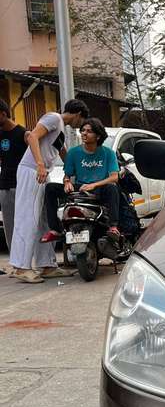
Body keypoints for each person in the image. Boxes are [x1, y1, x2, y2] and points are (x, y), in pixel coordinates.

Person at [9, 98, 88, 283]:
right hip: (33, 171)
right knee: (28, 217)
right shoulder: (53, 118)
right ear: (78, 114)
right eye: (81, 122)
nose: (80, 126)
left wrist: (75, 171)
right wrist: (39, 164)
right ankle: (21, 267)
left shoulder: (59, 127)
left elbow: (63, 152)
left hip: (44, 173)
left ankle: (47, 265)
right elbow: (32, 136)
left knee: (45, 219)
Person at [42, 117, 121, 244]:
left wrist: (93, 185)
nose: (84, 133)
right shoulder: (74, 152)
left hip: (99, 188)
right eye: (83, 130)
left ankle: (113, 227)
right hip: (80, 188)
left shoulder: (108, 153)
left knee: (112, 187)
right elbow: (67, 175)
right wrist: (67, 182)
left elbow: (114, 177)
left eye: (89, 131)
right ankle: (55, 229)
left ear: (98, 136)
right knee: (50, 187)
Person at [0, 99, 27, 276]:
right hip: (4, 186)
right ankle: (16, 264)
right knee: (9, 226)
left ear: (3, 114)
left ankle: (25, 262)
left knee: (23, 226)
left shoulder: (23, 134)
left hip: (22, 186)